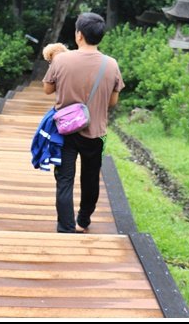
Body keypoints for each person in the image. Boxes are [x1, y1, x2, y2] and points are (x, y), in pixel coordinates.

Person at [42, 12, 125, 234]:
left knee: (65, 179)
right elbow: (113, 101)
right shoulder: (111, 64)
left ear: (79, 35)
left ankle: (66, 226)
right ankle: (83, 221)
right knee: (90, 179)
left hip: (65, 131)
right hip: (95, 132)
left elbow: (47, 89)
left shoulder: (61, 60)